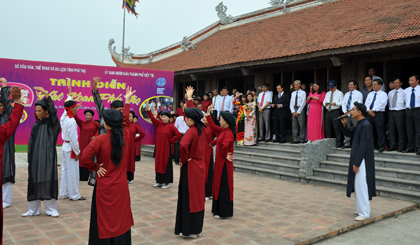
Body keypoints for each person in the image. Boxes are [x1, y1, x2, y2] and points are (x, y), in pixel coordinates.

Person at [82, 87, 135, 244]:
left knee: (103, 218)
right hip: (120, 186)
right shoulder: (125, 136)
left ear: (106, 122)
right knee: (120, 216)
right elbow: (125, 120)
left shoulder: (100, 139)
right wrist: (127, 101)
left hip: (104, 185)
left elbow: (85, 158)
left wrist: (95, 167)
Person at [23, 87, 61, 218]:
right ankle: (33, 210)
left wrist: (47, 95)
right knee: (34, 182)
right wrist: (30, 158)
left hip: (48, 159)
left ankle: (51, 209)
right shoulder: (36, 125)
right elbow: (31, 143)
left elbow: (54, 113)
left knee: (48, 181)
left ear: (46, 111)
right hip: (35, 160)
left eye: (40, 111)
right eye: (36, 111)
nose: (37, 113)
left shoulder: (52, 125)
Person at [174, 107, 207, 238]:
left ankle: (188, 229)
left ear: (190, 119)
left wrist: (183, 159)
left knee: (188, 197)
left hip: (190, 167)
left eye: (186, 118)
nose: (185, 120)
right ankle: (196, 228)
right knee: (198, 198)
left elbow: (182, 145)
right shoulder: (202, 130)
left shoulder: (191, 131)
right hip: (200, 167)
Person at [341, 102, 376, 221]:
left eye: (353, 110)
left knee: (362, 186)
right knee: (357, 185)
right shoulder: (360, 124)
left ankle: (365, 212)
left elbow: (364, 146)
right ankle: (361, 208)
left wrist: (356, 163)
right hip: (359, 159)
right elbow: (349, 133)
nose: (351, 111)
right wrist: (345, 124)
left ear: (359, 112)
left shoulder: (365, 125)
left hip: (362, 160)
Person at [0, 85, 24, 240]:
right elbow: (14, 120)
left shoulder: (2, 128)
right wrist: (18, 101)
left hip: (7, 150)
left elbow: (13, 118)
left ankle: (7, 199)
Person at [205, 105, 235, 219]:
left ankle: (224, 211)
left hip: (224, 165)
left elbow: (225, 145)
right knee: (218, 185)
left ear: (226, 121)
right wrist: (208, 114)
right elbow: (212, 126)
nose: (220, 120)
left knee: (223, 186)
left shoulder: (228, 133)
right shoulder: (223, 130)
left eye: (221, 119)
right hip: (220, 163)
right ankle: (217, 210)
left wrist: (224, 155)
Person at [146, 103, 181, 189]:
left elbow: (178, 135)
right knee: (158, 164)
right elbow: (152, 118)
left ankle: (166, 182)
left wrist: (170, 141)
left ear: (169, 118)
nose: (163, 118)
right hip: (158, 148)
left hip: (166, 148)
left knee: (166, 164)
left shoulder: (171, 127)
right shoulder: (158, 124)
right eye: (162, 116)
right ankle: (159, 181)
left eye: (165, 117)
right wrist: (149, 110)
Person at [59, 95, 85, 201]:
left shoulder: (63, 118)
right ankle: (74, 195)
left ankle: (64, 193)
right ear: (71, 109)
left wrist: (69, 96)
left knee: (65, 171)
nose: (77, 109)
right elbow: (74, 139)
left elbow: (66, 109)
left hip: (65, 146)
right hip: (71, 148)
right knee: (73, 172)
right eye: (75, 107)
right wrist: (77, 151)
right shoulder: (72, 121)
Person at [0, 78, 17, 209]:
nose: (0, 107)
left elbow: (6, 102)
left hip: (6, 147)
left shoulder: (9, 116)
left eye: (1, 105)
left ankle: (7, 201)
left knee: (6, 171)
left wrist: (4, 87)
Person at [74, 107, 100, 181]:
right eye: (86, 115)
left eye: (89, 115)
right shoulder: (82, 123)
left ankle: (91, 176)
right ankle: (82, 177)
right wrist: (76, 109)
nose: (87, 116)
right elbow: (75, 117)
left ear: (92, 116)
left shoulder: (95, 123)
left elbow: (101, 129)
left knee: (90, 158)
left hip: (91, 144)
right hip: (83, 144)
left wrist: (96, 136)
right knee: (82, 159)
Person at [364, 79, 388, 152]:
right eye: (373, 84)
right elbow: (366, 103)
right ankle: (371, 145)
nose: (373, 86)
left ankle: (381, 146)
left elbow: (382, 104)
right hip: (369, 113)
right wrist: (369, 110)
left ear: (380, 85)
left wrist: (373, 110)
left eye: (375, 84)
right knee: (370, 129)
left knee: (380, 130)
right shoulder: (370, 94)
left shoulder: (383, 94)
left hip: (379, 113)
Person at [342, 80, 363, 148]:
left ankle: (357, 143)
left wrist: (352, 111)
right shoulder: (346, 94)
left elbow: (359, 104)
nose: (349, 86)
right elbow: (344, 103)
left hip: (354, 113)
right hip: (346, 113)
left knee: (356, 127)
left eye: (351, 85)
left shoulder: (359, 94)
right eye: (349, 85)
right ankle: (347, 143)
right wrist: (345, 111)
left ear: (355, 85)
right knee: (346, 127)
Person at [387, 77, 407, 152]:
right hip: (391, 112)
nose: (396, 84)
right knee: (391, 129)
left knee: (400, 129)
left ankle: (401, 146)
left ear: (401, 83)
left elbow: (406, 102)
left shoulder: (404, 92)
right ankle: (393, 145)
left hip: (400, 111)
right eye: (394, 83)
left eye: (397, 83)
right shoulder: (390, 92)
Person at [323, 80, 344, 148]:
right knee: (327, 127)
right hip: (328, 111)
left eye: (332, 87)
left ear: (336, 86)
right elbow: (324, 101)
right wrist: (325, 103)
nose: (331, 89)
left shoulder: (340, 93)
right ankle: (329, 141)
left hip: (335, 111)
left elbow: (342, 103)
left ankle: (339, 142)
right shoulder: (328, 93)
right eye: (330, 87)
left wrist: (336, 103)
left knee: (336, 127)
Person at [127, 111, 145, 183]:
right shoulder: (122, 125)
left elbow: (142, 134)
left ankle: (130, 178)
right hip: (123, 146)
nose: (129, 117)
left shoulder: (134, 126)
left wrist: (135, 139)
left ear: (133, 118)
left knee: (130, 161)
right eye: (127, 116)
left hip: (131, 146)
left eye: (130, 116)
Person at [404, 74, 420, 155]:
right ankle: (410, 147)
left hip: (418, 110)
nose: (410, 82)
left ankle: (418, 147)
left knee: (418, 129)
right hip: (408, 111)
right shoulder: (406, 90)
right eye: (409, 80)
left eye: (412, 80)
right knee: (409, 129)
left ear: (417, 81)